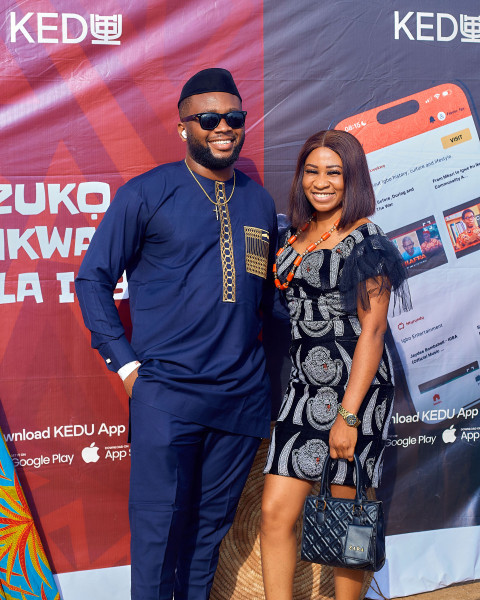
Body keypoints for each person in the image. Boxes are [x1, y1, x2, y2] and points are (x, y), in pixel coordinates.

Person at [75, 68, 277, 600]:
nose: (223, 128)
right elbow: (92, 278)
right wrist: (126, 364)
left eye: (234, 118)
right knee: (157, 533)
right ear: (183, 126)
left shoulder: (259, 203)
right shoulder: (147, 193)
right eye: (208, 119)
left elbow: (269, 307)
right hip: (165, 393)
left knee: (208, 533)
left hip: (240, 399)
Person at [260, 130, 410, 600]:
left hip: (356, 391)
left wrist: (348, 415)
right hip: (302, 388)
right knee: (274, 512)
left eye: (334, 172)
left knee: (347, 515)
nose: (321, 182)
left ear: (353, 180)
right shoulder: (294, 235)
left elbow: (374, 330)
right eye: (312, 170)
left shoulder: (368, 242)